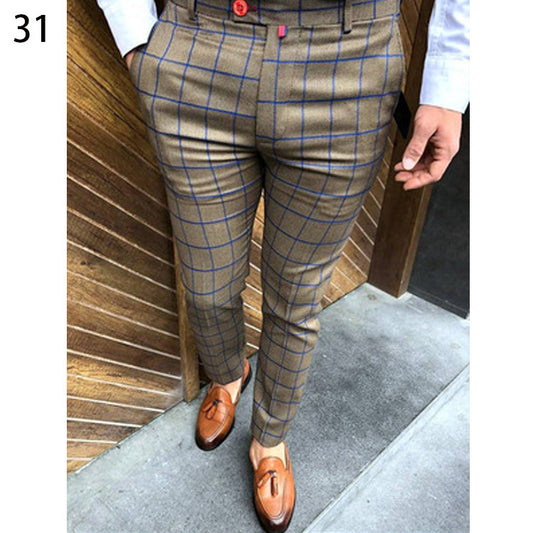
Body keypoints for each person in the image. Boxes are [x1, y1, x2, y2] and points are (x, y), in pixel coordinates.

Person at [95, 0, 469, 531]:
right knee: (207, 287)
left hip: (347, 63)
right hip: (198, 47)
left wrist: (449, 83)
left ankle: (270, 439)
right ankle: (228, 374)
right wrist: (135, 36)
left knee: (295, 298)